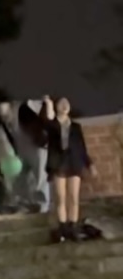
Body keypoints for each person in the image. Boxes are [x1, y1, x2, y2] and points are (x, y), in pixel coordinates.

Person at [43, 95, 93, 242]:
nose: (64, 105)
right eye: (61, 103)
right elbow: (48, 124)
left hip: (74, 162)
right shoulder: (53, 125)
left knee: (73, 197)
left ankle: (73, 227)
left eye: (67, 103)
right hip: (59, 163)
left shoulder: (76, 127)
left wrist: (89, 164)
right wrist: (48, 105)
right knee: (61, 197)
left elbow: (82, 147)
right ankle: (63, 227)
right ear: (57, 107)